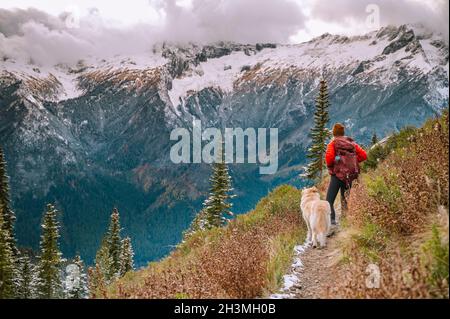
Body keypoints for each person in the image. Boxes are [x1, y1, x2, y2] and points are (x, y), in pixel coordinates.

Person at [325, 123, 367, 227]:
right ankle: (344, 222)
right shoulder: (351, 143)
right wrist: (352, 161)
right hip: (350, 176)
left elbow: (329, 159)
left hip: (337, 176)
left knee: (329, 200)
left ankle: (332, 222)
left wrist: (336, 164)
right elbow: (364, 155)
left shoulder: (333, 144)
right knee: (345, 199)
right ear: (343, 133)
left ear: (334, 133)